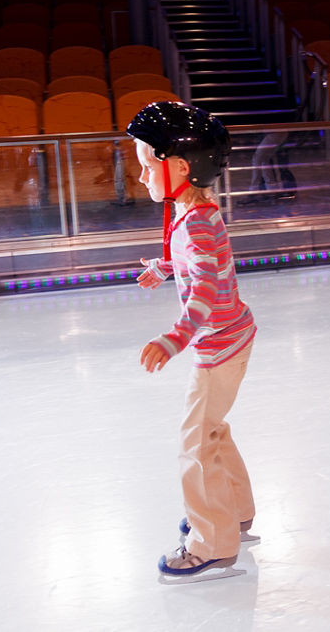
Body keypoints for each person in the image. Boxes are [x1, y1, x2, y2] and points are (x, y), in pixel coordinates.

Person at [127, 100, 259, 582]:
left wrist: (174, 337)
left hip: (218, 345)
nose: (141, 177)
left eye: (146, 166)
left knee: (194, 442)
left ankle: (213, 543)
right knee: (212, 430)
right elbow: (202, 266)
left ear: (180, 167)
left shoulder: (196, 222)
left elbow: (203, 289)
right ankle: (235, 514)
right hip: (232, 336)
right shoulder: (194, 214)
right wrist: (164, 268)